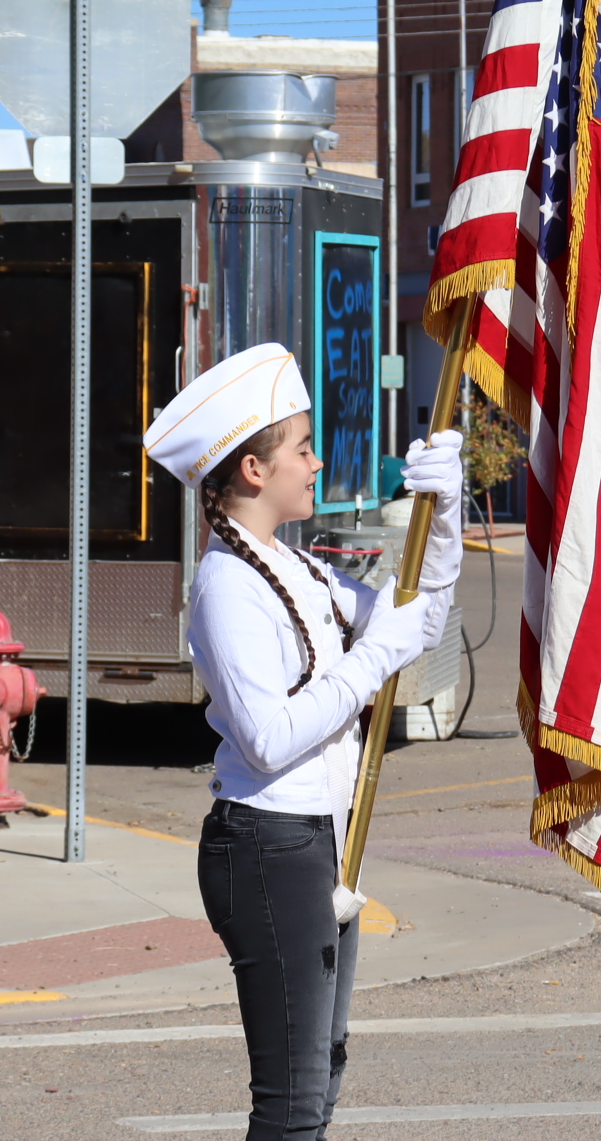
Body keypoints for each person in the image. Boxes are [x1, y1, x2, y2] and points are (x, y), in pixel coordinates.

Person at [145, 343, 462, 1140]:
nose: (317, 463)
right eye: (302, 448)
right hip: (266, 844)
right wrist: (374, 655)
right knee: (290, 1103)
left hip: (317, 837)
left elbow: (414, 620)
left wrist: (446, 517)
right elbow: (268, 736)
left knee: (321, 1074)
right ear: (254, 470)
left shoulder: (293, 565)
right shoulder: (228, 584)